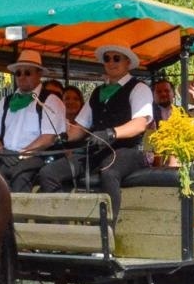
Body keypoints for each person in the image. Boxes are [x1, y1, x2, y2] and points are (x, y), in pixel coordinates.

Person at [37, 44, 154, 218]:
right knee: (48, 173)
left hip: (127, 151)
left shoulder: (139, 88)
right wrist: (60, 137)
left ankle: (108, 233)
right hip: (96, 150)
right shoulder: (97, 92)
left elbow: (139, 124)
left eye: (117, 58)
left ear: (128, 62)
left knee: (109, 172)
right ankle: (62, 229)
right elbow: (80, 128)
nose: (111, 62)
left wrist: (111, 133)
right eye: (107, 58)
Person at [0, 48, 67, 192]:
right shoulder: (6, 101)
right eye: (18, 73)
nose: (22, 77)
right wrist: (0, 150)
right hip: (5, 155)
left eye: (27, 73)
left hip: (36, 157)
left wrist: (21, 154)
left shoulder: (50, 100)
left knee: (20, 175)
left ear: (39, 74)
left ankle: (19, 214)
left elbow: (48, 138)